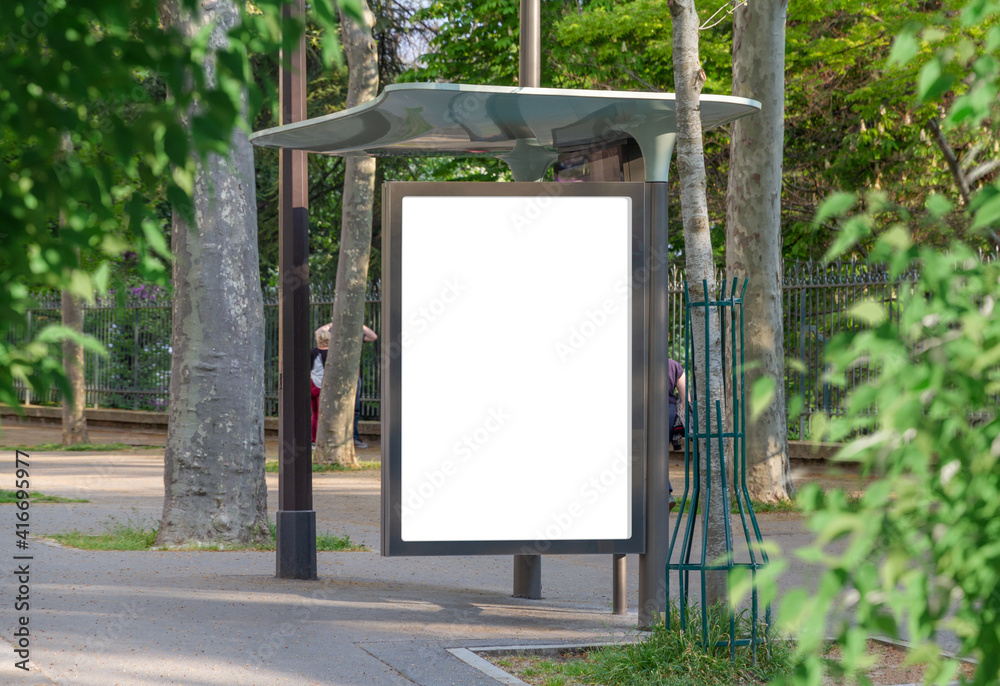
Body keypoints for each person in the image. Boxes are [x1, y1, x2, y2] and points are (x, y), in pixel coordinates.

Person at [311, 322, 378, 449]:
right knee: (329, 410)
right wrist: (333, 323)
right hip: (334, 378)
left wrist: (361, 324)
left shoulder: (355, 333)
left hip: (352, 375)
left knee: (354, 408)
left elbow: (373, 336)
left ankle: (353, 437)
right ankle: (331, 438)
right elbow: (318, 332)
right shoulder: (331, 334)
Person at [667, 358, 687, 512]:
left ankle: (665, 493)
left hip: (640, 411)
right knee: (659, 455)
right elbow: (685, 399)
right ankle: (665, 495)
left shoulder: (636, 362)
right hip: (668, 412)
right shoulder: (674, 366)